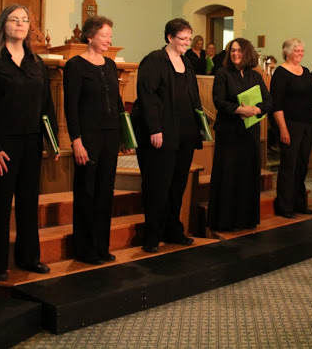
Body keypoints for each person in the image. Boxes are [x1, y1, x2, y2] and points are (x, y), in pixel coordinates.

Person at [0, 4, 59, 281]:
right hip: (4, 144)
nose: (20, 24)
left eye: (25, 20)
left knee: (28, 202)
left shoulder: (36, 62)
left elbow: (47, 105)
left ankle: (29, 257)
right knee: (0, 204)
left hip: (32, 142)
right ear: (3, 25)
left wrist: (52, 141)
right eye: (14, 19)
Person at [132, 18, 203, 252]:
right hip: (161, 134)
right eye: (182, 38)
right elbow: (147, 97)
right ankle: (152, 236)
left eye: (189, 39)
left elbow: (194, 97)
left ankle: (173, 230)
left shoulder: (187, 63)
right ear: (169, 37)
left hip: (184, 134)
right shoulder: (154, 61)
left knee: (177, 186)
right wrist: (154, 128)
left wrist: (200, 126)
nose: (186, 43)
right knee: (157, 186)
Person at [63, 15, 127, 265]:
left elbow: (118, 103)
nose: (108, 40)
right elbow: (71, 107)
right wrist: (76, 141)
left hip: (110, 135)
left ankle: (102, 246)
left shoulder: (110, 65)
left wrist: (124, 134)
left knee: (105, 191)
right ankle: (85, 248)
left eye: (110, 36)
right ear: (90, 36)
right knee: (87, 191)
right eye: (104, 36)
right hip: (88, 136)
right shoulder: (75, 65)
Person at [208, 38, 272, 231]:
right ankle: (226, 221)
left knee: (247, 175)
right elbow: (218, 101)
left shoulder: (255, 76)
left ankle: (246, 219)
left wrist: (256, 110)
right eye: (233, 51)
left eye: (239, 51)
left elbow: (269, 101)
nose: (236, 54)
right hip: (229, 133)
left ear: (248, 53)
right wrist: (239, 110)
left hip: (249, 133)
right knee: (228, 175)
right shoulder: (222, 73)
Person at [270, 38, 312, 218]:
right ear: (287, 52)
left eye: (302, 51)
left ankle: (299, 203)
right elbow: (277, 104)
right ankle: (285, 206)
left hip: (306, 125)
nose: (300, 54)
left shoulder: (305, 71)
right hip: (289, 124)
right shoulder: (281, 73)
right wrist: (283, 129)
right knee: (289, 166)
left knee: (302, 166)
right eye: (297, 51)